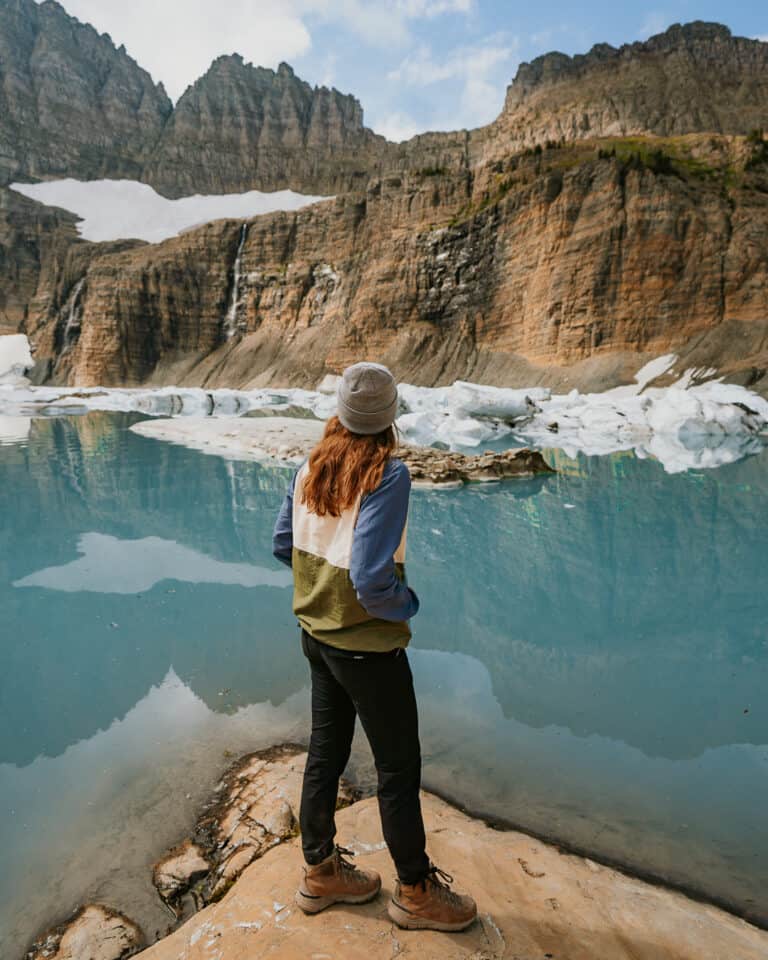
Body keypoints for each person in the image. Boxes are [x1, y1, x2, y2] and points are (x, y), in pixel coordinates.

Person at [272, 361, 477, 932]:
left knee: (326, 752)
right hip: (367, 649)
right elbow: (369, 577)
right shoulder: (389, 474)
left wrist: (319, 593)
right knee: (396, 768)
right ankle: (414, 891)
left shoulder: (309, 464)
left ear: (340, 411)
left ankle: (320, 871)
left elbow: (283, 544)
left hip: (316, 637)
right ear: (389, 418)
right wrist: (404, 604)